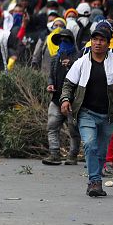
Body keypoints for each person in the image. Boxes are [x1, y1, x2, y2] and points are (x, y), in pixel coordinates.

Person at [60, 24, 113, 197]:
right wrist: (65, 99)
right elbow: (68, 84)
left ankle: (95, 179)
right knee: (90, 144)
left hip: (109, 115)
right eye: (95, 39)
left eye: (102, 40)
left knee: (101, 151)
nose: (98, 43)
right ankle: (94, 182)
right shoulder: (81, 63)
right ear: (91, 41)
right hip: (86, 113)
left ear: (108, 43)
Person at [42, 29, 81, 165]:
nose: (63, 43)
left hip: (73, 100)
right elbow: (51, 76)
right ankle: (54, 154)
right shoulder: (56, 58)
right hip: (56, 98)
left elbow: (81, 77)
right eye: (61, 40)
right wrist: (50, 84)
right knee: (52, 126)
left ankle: (72, 155)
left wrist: (70, 65)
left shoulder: (79, 58)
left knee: (73, 129)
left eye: (66, 40)